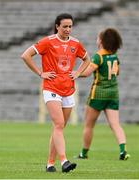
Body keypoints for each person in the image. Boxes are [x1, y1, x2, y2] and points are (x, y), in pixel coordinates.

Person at [21, 13, 90, 173]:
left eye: (70, 26)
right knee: (59, 124)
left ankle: (50, 164)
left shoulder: (76, 43)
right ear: (57, 26)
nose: (68, 29)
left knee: (58, 128)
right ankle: (64, 161)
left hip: (68, 89)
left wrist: (78, 73)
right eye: (64, 26)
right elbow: (25, 55)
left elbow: (87, 59)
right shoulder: (48, 41)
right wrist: (40, 72)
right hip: (51, 88)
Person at [77, 28, 130, 160]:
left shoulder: (98, 56)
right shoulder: (114, 56)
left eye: (98, 38)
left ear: (101, 41)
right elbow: (117, 73)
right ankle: (123, 150)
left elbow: (88, 72)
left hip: (99, 94)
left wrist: (75, 74)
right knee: (115, 124)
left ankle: (84, 153)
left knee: (89, 125)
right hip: (113, 93)